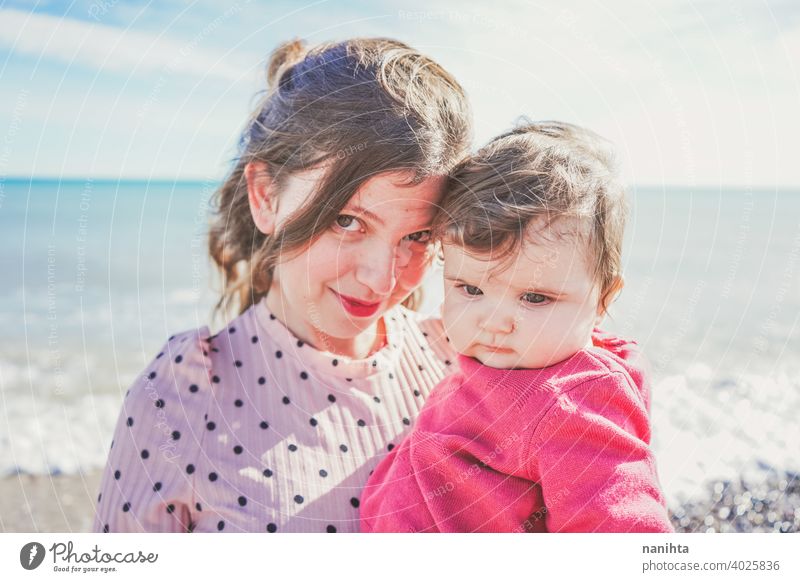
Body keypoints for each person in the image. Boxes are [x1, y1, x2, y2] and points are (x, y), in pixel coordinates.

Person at [92, 37, 471, 533]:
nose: (381, 277)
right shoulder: (182, 396)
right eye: (346, 220)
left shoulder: (462, 365)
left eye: (418, 236)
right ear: (265, 195)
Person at [360, 121, 675, 532]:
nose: (493, 322)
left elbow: (621, 527)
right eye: (470, 288)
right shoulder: (512, 357)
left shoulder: (573, 402)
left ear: (603, 300)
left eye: (535, 298)